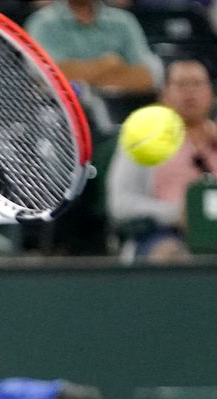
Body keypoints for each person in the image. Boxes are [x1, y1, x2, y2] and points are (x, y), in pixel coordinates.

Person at [107, 59, 217, 260]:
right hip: (164, 234)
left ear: (211, 94)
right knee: (172, 254)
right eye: (181, 85)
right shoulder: (143, 140)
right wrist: (177, 214)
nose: (190, 92)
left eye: (197, 84)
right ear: (164, 95)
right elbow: (120, 204)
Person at [24, 0, 161, 94]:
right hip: (59, 116)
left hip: (117, 110)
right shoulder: (42, 23)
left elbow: (145, 77)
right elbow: (48, 78)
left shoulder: (124, 21)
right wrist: (108, 65)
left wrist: (80, 79)